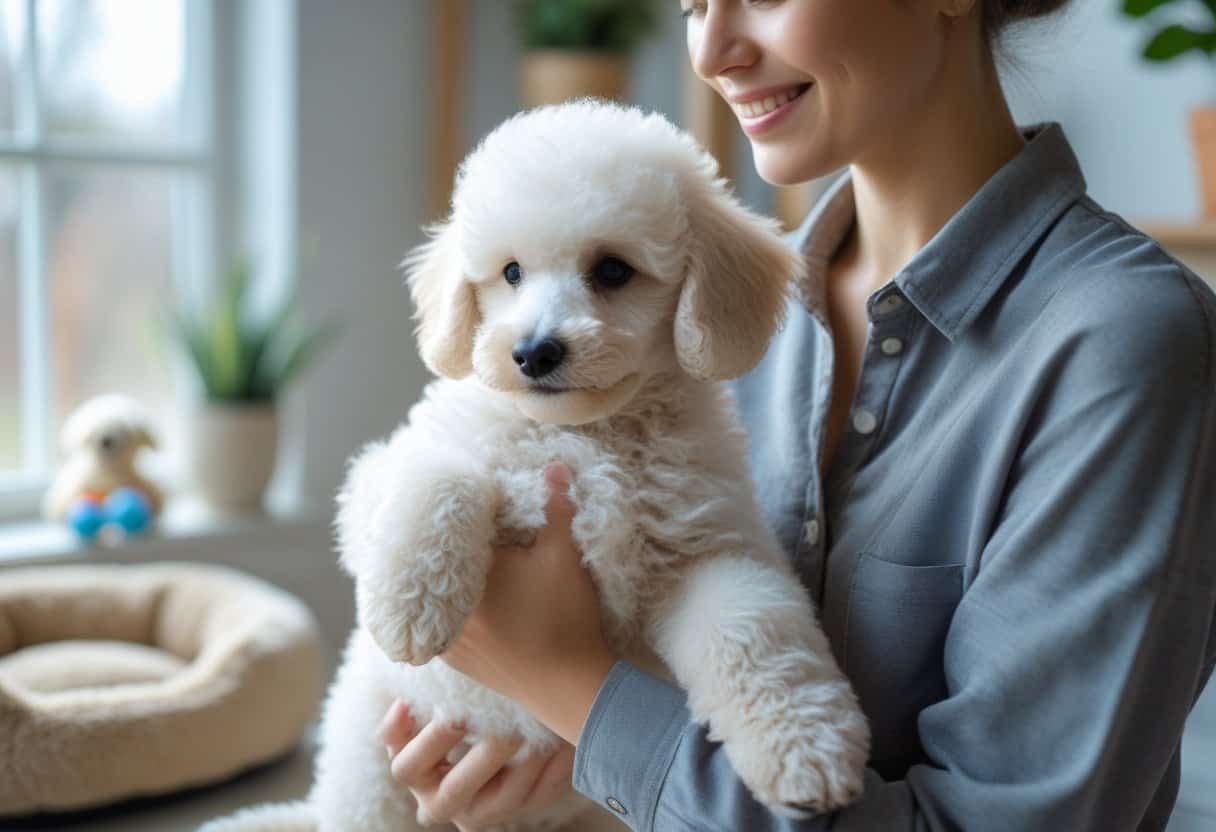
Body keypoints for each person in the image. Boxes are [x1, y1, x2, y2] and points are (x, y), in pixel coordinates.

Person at [380, 0, 1216, 829]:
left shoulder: (1122, 344)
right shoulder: (700, 325)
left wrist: (569, 688)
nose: (712, 51)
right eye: (691, 4)